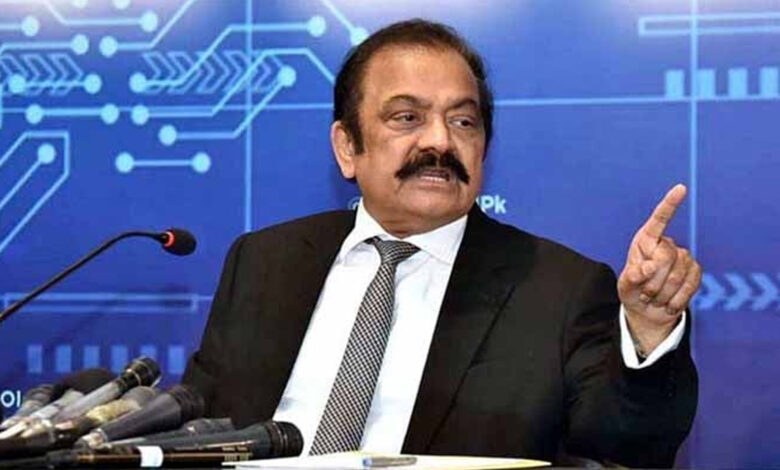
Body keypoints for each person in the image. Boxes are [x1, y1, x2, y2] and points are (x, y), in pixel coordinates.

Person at [183, 19, 700, 467]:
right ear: (347, 147)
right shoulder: (262, 261)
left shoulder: (559, 288)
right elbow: (196, 430)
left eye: (463, 121)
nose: (439, 141)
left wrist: (648, 330)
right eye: (407, 117)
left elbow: (627, 447)